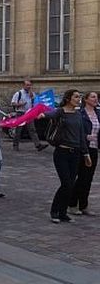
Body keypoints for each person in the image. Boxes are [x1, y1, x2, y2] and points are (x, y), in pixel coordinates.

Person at [39, 89, 92, 223]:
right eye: (75, 97)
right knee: (66, 183)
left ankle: (63, 213)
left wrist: (86, 154)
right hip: (62, 153)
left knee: (71, 184)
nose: (78, 99)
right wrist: (41, 115)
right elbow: (49, 114)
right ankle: (54, 211)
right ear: (68, 98)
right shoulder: (60, 112)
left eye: (79, 97)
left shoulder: (78, 114)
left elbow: (81, 135)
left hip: (75, 154)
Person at [69, 91, 100, 216]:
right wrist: (86, 136)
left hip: (94, 149)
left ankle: (83, 205)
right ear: (86, 100)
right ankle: (71, 204)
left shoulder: (98, 113)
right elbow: (76, 131)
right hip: (82, 149)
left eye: (97, 97)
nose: (96, 99)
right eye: (93, 97)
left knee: (88, 178)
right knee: (79, 177)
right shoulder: (80, 114)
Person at [11, 80, 48, 152]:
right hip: (20, 113)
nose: (29, 87)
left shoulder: (31, 94)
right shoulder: (18, 93)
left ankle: (38, 145)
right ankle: (15, 145)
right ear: (23, 86)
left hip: (29, 113)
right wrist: (20, 104)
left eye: (30, 85)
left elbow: (35, 102)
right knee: (18, 130)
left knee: (32, 129)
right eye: (27, 85)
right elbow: (13, 103)